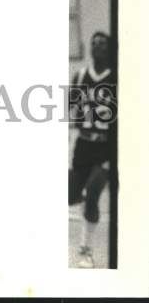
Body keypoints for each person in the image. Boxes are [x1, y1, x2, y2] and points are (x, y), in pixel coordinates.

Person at [68, 31, 116, 268]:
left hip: (107, 147)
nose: (98, 47)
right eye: (94, 43)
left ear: (110, 49)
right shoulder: (80, 76)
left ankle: (86, 251)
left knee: (92, 194)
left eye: (103, 44)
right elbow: (71, 112)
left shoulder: (117, 79)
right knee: (70, 195)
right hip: (84, 145)